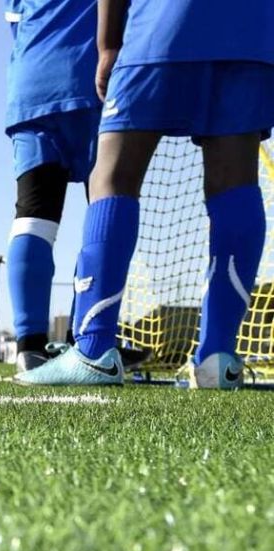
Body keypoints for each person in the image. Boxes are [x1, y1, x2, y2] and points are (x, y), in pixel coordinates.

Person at [19, 0, 274, 388]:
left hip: (162, 24)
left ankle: (93, 351)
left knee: (112, 175)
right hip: (252, 31)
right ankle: (218, 359)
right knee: (236, 179)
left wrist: (107, 46)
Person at [4, 0, 100, 372]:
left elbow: (15, 25)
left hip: (33, 81)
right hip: (95, 81)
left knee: (33, 217)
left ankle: (29, 347)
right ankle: (90, 341)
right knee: (104, 214)